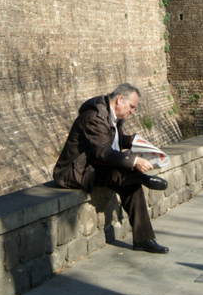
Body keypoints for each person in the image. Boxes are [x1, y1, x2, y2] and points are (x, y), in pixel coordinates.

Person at [53, 83, 169, 254]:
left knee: (132, 185)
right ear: (120, 100)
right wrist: (134, 160)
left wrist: (130, 141)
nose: (132, 112)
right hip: (76, 172)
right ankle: (142, 178)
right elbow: (103, 152)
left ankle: (144, 239)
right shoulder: (94, 117)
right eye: (131, 107)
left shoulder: (113, 116)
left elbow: (112, 140)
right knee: (123, 174)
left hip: (96, 166)